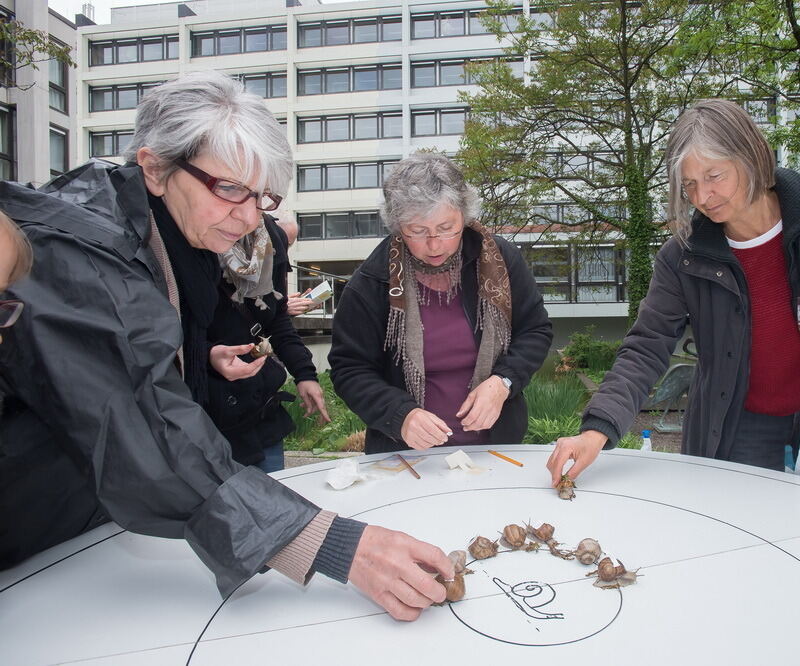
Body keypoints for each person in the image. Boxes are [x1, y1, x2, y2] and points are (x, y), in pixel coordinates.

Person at [0, 71, 452, 620]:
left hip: (81, 530)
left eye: (261, 196)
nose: (248, 217)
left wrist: (194, 359)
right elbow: (137, 421)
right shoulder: (78, 250)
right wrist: (328, 543)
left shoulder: (172, 230)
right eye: (230, 189)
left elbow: (126, 358)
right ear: (155, 167)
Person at [547, 99, 800, 491]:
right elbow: (646, 346)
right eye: (689, 184)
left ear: (751, 158)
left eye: (715, 176)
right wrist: (596, 429)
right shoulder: (682, 255)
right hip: (740, 426)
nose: (702, 197)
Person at [329, 153, 552, 453]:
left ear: (465, 215)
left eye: (447, 228)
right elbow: (350, 370)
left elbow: (535, 330)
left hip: (496, 449)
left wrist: (504, 382)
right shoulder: (371, 282)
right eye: (418, 231)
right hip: (405, 456)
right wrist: (401, 415)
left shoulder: (501, 260)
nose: (434, 245)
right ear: (397, 226)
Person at [206, 213, 330, 473]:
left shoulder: (268, 247)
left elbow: (278, 320)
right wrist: (208, 355)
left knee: (274, 499)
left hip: (261, 409)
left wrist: (305, 375)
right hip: (213, 416)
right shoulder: (199, 249)